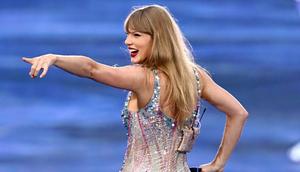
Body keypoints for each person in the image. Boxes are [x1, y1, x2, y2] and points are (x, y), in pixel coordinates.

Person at [22, 4, 248, 172]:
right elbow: (238, 113)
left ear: (157, 38)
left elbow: (92, 69)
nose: (127, 41)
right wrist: (218, 164)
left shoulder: (143, 78)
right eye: (127, 34)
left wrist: (55, 58)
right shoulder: (196, 76)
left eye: (136, 35)